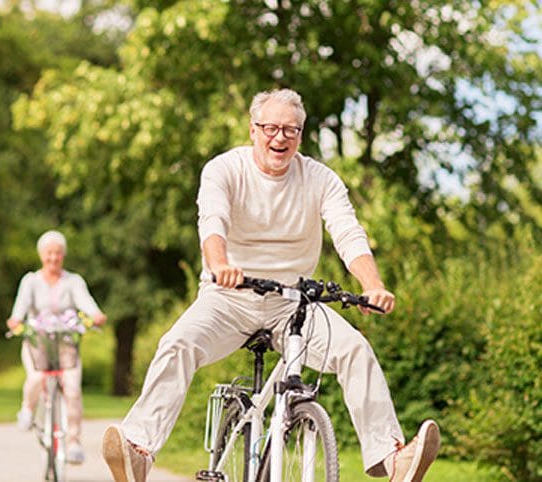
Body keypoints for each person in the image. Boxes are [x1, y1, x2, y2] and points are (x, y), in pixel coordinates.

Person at [101, 89, 440, 482]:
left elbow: (348, 232)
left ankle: (390, 458)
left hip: (293, 303)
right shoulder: (224, 169)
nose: (280, 138)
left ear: (301, 135)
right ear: (253, 130)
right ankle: (139, 450)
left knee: (355, 351)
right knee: (178, 344)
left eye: (291, 130)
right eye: (272, 128)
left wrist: (372, 284)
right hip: (229, 296)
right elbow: (212, 220)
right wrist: (220, 264)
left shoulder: (320, 178)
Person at [7, 229, 107, 464]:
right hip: (37, 343)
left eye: (58, 253)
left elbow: (86, 302)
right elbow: (19, 309)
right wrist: (15, 321)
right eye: (49, 253)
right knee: (36, 378)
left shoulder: (73, 281)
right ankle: (28, 410)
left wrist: (96, 315)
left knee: (72, 389)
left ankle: (73, 442)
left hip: (65, 344)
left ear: (63, 255)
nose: (53, 258)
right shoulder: (30, 281)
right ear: (42, 255)